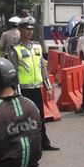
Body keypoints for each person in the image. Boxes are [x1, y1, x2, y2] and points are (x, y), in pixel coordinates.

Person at [9, 17, 59, 151]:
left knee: (39, 117)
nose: (30, 32)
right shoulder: (15, 50)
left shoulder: (37, 46)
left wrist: (48, 87)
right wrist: (17, 93)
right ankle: (27, 146)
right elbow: (13, 74)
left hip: (37, 88)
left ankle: (44, 143)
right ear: (20, 30)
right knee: (25, 120)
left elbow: (42, 68)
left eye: (31, 29)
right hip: (23, 91)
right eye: (27, 29)